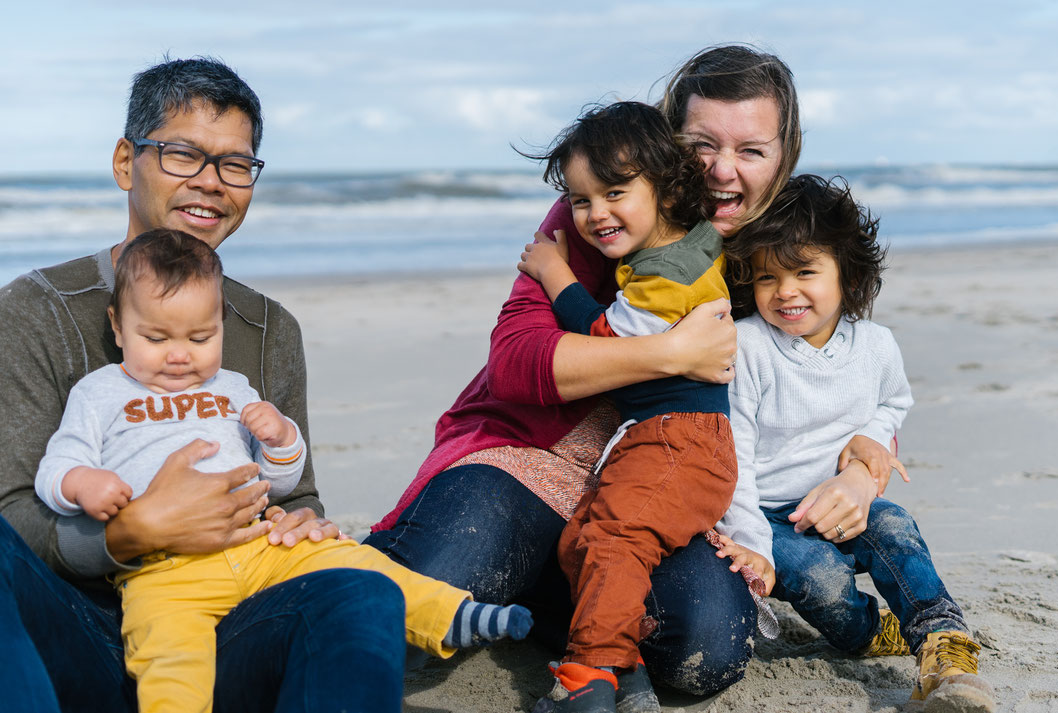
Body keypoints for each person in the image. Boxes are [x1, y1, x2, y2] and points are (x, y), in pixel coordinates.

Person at [364, 45, 897, 710]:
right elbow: (514, 364)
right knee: (401, 613)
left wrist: (864, 468)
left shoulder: (781, 254)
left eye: (752, 151)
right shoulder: (600, 214)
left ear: (785, 157)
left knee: (703, 649)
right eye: (702, 143)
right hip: (532, 462)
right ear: (670, 144)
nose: (722, 170)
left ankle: (559, 601)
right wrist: (671, 354)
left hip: (665, 483)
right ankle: (524, 576)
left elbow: (843, 374)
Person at [0, 57, 401, 712]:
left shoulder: (269, 327)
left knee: (363, 589)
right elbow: (13, 511)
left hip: (221, 633)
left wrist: (303, 522)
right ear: (126, 162)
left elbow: (296, 493)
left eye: (235, 164)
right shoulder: (33, 308)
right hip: (75, 636)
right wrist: (131, 532)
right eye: (184, 154)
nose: (212, 183)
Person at [33, 229, 533, 713]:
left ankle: (448, 614)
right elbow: (59, 462)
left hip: (260, 544)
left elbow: (282, 482)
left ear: (222, 327)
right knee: (167, 657)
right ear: (118, 326)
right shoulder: (100, 393)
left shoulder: (232, 387)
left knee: (348, 560)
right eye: (155, 337)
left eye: (201, 336)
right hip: (165, 570)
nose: (180, 355)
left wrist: (281, 439)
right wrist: (83, 483)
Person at [721, 174, 995, 711]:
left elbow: (892, 403)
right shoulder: (749, 344)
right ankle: (868, 633)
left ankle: (943, 644)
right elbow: (734, 449)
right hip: (769, 514)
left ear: (847, 273)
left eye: (805, 271)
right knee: (820, 579)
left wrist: (869, 442)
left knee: (896, 526)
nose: (786, 291)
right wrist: (751, 537)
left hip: (844, 497)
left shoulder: (875, 345)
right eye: (767, 277)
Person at [514, 101, 740, 712]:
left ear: (666, 187)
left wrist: (555, 272)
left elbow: (607, 343)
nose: (594, 214)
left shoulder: (663, 278)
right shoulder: (687, 243)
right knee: (578, 542)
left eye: (614, 192)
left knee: (614, 542)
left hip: (680, 441)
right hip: (660, 436)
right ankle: (625, 666)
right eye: (581, 199)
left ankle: (586, 676)